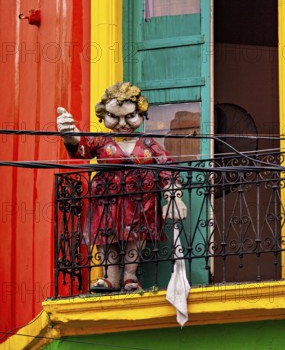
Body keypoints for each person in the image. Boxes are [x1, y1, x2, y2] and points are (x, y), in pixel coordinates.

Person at [57, 82, 187, 293]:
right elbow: (81, 148)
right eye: (114, 117)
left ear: (141, 114)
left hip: (140, 200)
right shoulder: (101, 141)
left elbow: (167, 168)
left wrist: (175, 197)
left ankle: (129, 277)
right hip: (106, 198)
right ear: (103, 115)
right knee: (106, 235)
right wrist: (68, 134)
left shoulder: (147, 144)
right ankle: (110, 277)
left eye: (129, 117)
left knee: (135, 235)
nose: (122, 124)